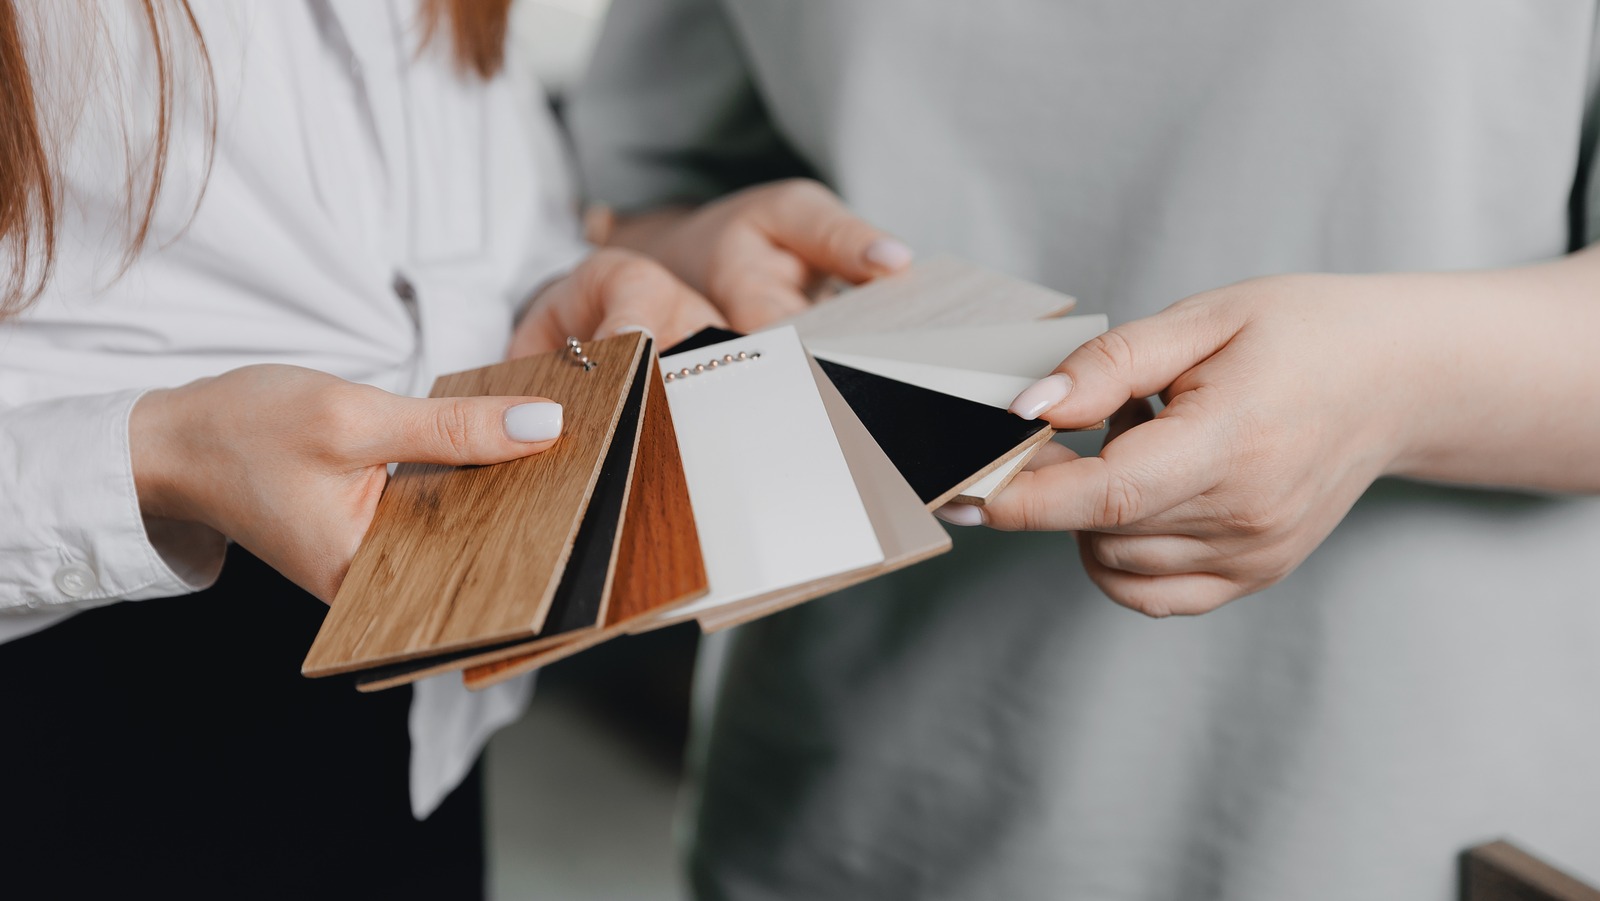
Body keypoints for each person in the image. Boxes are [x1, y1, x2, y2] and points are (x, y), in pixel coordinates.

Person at [570, 1, 1600, 898]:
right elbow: (632, 201)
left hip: (1386, 816)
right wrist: (697, 261)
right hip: (853, 803)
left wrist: (1395, 385)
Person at [0, 1, 904, 896]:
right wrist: (160, 454)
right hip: (71, 672)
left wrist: (609, 265)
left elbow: (454, 212)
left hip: (414, 691)